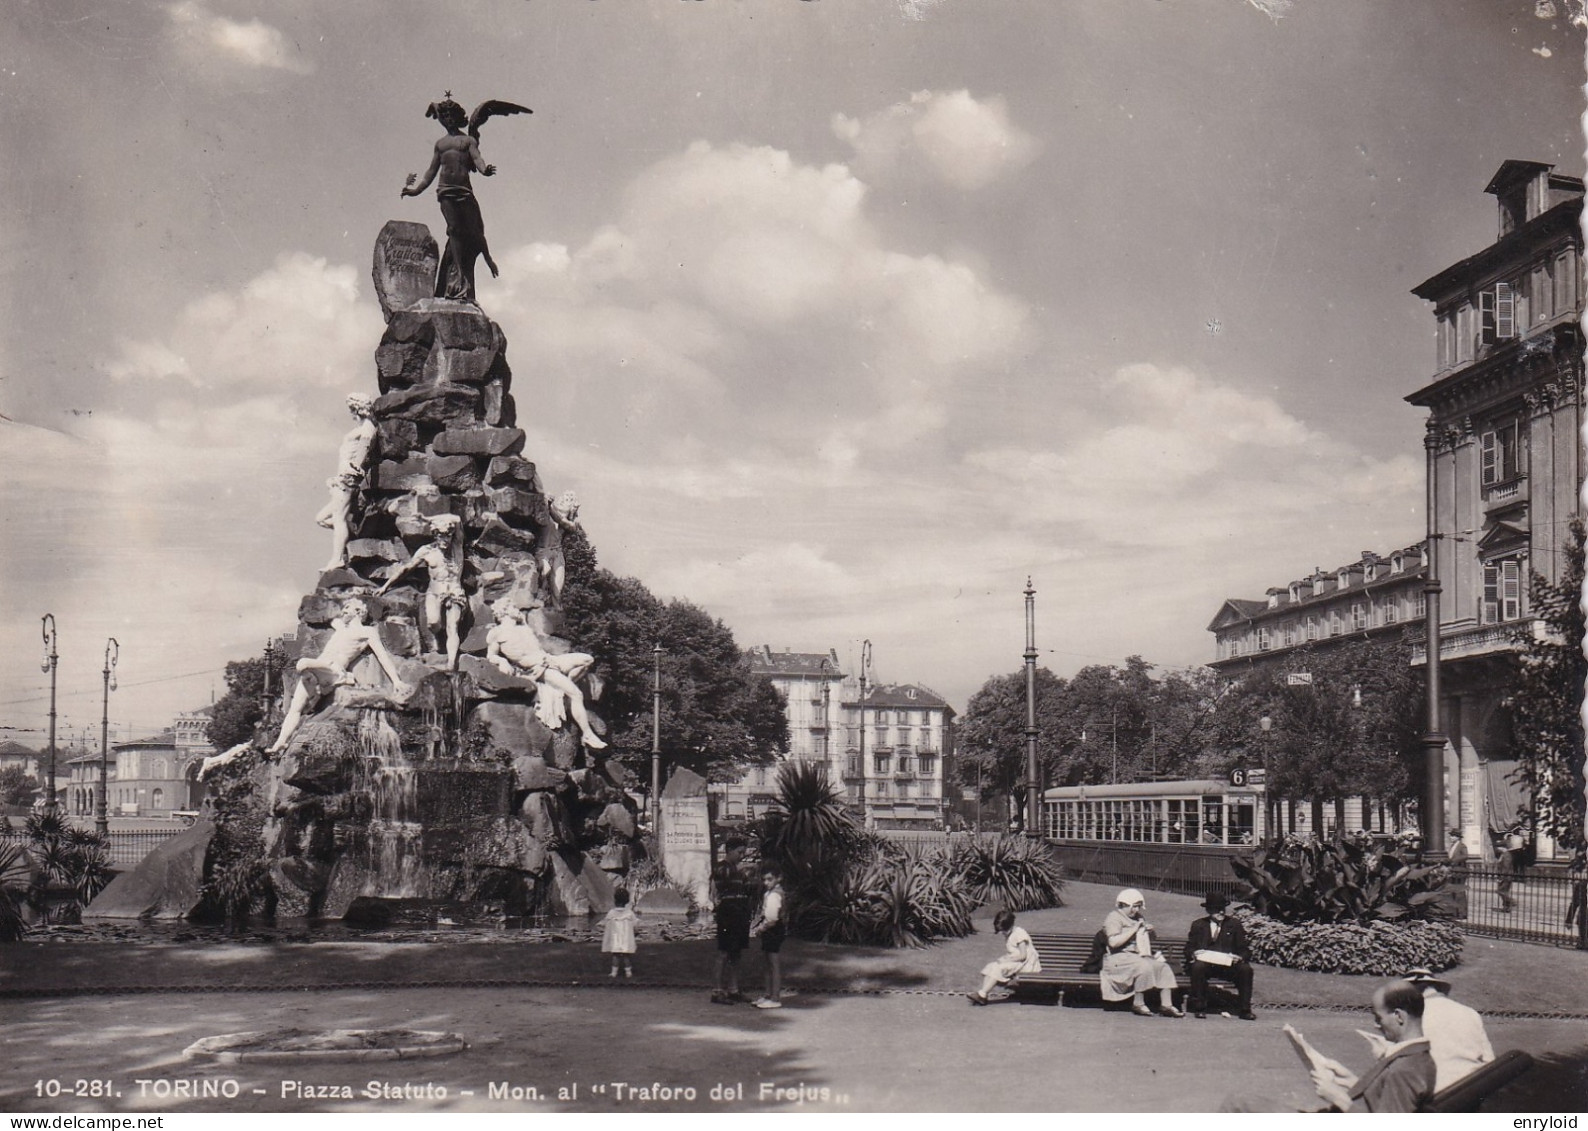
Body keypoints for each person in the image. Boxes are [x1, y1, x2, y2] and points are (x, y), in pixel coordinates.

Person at [400, 96, 520, 302]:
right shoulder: (440, 144)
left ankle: (486, 259)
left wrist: (485, 170)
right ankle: (460, 277)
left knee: (474, 231)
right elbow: (430, 172)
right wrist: (416, 191)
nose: (448, 120)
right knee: (454, 230)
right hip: (445, 191)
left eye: (451, 116)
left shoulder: (468, 140)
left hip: (464, 190)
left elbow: (477, 159)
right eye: (444, 116)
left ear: (458, 117)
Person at [266, 597, 411, 753]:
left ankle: (326, 688)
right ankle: (281, 742)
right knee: (295, 709)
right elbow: (328, 614)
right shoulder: (340, 628)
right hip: (317, 670)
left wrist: (396, 681)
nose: (343, 610)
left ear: (358, 611)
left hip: (333, 670)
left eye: (347, 607)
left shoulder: (366, 632)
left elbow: (382, 656)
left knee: (302, 663)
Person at [484, 598, 607, 749]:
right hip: (540, 669)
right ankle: (587, 734)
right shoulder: (496, 632)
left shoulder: (523, 628)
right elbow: (491, 656)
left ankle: (563, 687)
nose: (516, 609)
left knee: (587, 659)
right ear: (504, 610)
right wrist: (502, 662)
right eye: (512, 606)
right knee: (577, 694)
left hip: (550, 660)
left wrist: (522, 621)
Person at [1310, 981, 1437, 1112]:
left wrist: (1338, 1098)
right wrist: (1352, 1081)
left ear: (1399, 1016)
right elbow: (1385, 1095)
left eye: (1378, 1018)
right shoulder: (1418, 1057)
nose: (1376, 1025)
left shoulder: (1403, 1070)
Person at [378, 514, 467, 670]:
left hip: (454, 591)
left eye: (448, 536)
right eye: (441, 536)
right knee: (433, 623)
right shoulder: (427, 551)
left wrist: (427, 518)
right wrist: (385, 586)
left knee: (453, 627)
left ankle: (451, 663)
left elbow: (457, 518)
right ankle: (438, 641)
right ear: (435, 535)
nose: (445, 540)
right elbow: (406, 568)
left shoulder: (457, 546)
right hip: (434, 592)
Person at [1402, 967, 1494, 1090]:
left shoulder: (1412, 1017)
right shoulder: (1470, 1013)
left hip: (1434, 1093)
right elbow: (1489, 1060)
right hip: (1472, 1088)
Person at [1100, 888, 1182, 1017]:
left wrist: (1150, 931)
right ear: (1124, 904)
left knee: (1163, 967)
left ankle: (1166, 1005)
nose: (1137, 910)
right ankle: (1138, 1003)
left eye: (1138, 907)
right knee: (1144, 966)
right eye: (1134, 907)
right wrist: (1134, 929)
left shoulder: (1138, 917)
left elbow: (1149, 939)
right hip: (1118, 958)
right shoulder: (1114, 917)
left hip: (1137, 956)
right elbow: (1113, 943)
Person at [1185, 892, 1255, 1020]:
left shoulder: (1234, 924)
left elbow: (1245, 950)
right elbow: (1189, 947)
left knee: (1246, 969)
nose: (1221, 912)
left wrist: (1240, 957)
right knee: (1197, 967)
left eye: (1222, 909)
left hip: (1228, 966)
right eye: (1217, 909)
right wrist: (1193, 953)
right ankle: (1199, 1007)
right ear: (1209, 910)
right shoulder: (1198, 925)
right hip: (1207, 965)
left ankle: (1245, 1009)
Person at [710, 838, 755, 1005]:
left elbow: (748, 888)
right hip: (728, 913)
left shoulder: (738, 870)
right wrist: (743, 872)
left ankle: (733, 989)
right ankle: (717, 991)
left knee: (736, 953)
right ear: (729, 850)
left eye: (744, 853)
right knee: (723, 952)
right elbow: (725, 881)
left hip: (740, 913)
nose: (742, 856)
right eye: (739, 852)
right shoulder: (722, 868)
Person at [967, 908, 1040, 1005]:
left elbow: (1023, 956)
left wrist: (1007, 960)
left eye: (1004, 930)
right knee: (992, 966)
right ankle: (983, 994)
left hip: (1027, 965)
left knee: (998, 967)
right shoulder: (1010, 934)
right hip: (1018, 963)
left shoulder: (1019, 934)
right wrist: (1004, 958)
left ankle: (982, 995)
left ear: (1010, 925)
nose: (1003, 933)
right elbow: (1014, 953)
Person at [535, 491, 582, 608]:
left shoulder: (571, 524)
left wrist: (549, 505)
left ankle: (557, 613)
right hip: (543, 550)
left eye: (567, 500)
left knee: (557, 591)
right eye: (563, 498)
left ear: (572, 508)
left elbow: (560, 520)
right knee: (544, 571)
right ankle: (539, 601)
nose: (562, 500)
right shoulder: (546, 512)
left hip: (557, 553)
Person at [752, 864, 788, 1009]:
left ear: (778, 878)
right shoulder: (769, 894)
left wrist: (760, 928)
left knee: (773, 963)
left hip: (773, 929)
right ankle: (768, 994)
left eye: (769, 879)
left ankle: (775, 997)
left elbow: (772, 918)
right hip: (769, 929)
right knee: (767, 962)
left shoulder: (775, 894)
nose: (766, 882)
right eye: (764, 880)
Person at [602, 888, 637, 979]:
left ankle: (614, 973)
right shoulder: (629, 913)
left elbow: (606, 923)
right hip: (626, 938)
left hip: (615, 938)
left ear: (615, 900)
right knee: (626, 955)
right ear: (627, 901)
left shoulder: (611, 913)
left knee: (615, 955)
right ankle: (628, 973)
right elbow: (635, 924)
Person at [1496, 826, 1525, 912]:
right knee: (1505, 891)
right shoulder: (1504, 855)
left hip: (1506, 876)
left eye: (1499, 847)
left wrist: (1501, 877)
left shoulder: (1506, 855)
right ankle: (1506, 907)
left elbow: (1506, 866)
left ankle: (1512, 901)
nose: (1498, 849)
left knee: (1500, 891)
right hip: (1506, 875)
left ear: (1503, 847)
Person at [1445, 829, 1470, 919]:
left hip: (1460, 871)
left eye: (1453, 836)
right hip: (1453, 871)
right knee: (1453, 892)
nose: (1451, 838)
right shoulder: (1452, 846)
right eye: (1451, 836)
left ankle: (1462, 913)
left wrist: (1453, 860)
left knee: (1460, 892)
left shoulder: (1462, 846)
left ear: (1458, 837)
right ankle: (1454, 912)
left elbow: (1465, 856)